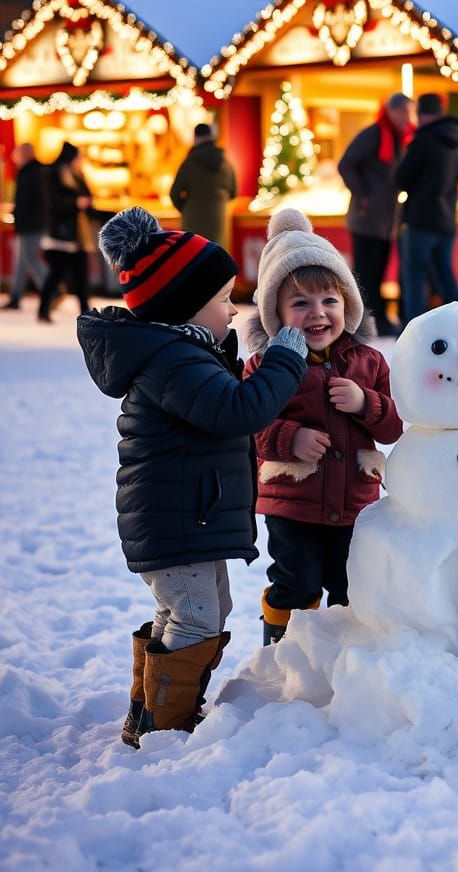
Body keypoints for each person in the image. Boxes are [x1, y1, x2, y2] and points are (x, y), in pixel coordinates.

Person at [77, 207, 308, 746]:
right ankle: (165, 723)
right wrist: (285, 359)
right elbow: (239, 412)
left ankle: (148, 711)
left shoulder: (183, 354)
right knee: (197, 614)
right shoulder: (175, 362)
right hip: (178, 518)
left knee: (192, 609)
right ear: (185, 306)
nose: (232, 311)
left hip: (183, 514)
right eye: (223, 299)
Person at [244, 208, 404, 644]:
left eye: (329, 300)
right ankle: (282, 649)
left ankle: (347, 653)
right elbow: (251, 425)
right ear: (275, 311)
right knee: (296, 582)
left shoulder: (369, 363)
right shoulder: (266, 365)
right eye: (301, 303)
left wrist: (365, 402)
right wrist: (289, 438)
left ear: (347, 305)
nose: (318, 313)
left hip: (355, 500)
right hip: (293, 502)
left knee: (351, 584)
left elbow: (394, 426)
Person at [338, 93, 414, 337]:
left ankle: (377, 318)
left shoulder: (397, 138)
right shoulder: (373, 135)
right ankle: (365, 321)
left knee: (379, 271)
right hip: (366, 217)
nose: (407, 117)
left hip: (385, 221)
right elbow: (346, 164)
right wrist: (363, 194)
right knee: (366, 272)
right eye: (404, 112)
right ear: (391, 111)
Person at [394, 93, 458, 321]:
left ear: (421, 114)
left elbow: (401, 179)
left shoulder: (422, 140)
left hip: (421, 220)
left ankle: (414, 328)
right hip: (447, 219)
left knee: (415, 277)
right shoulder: (456, 141)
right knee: (445, 275)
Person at [37, 142, 93, 323]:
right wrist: (75, 204)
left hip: (77, 235)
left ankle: (86, 312)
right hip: (61, 234)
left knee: (80, 275)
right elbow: (53, 203)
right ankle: (43, 310)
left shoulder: (76, 175)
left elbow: (88, 198)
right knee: (56, 274)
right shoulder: (54, 174)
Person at [169, 123, 238, 246]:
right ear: (211, 136)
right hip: (219, 223)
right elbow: (233, 193)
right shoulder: (226, 163)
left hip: (193, 224)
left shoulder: (189, 163)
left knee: (194, 259)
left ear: (195, 138)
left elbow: (174, 193)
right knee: (218, 259)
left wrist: (186, 209)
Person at [2, 143, 49, 310]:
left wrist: (20, 216)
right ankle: (15, 296)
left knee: (30, 259)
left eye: (17, 154)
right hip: (28, 224)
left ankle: (51, 291)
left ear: (26, 154)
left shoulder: (33, 173)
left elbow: (32, 202)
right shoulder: (31, 172)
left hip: (31, 225)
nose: (14, 158)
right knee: (21, 263)